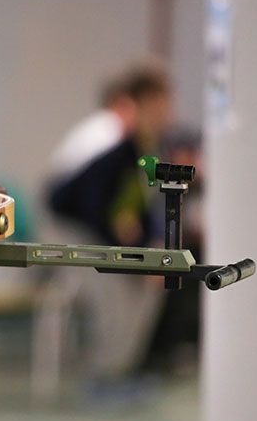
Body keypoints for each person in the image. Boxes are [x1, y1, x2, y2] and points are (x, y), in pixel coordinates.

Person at [45, 61, 173, 394]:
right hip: (71, 228)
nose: (166, 114)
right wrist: (129, 253)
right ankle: (103, 378)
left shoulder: (141, 144)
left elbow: (135, 204)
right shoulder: (109, 134)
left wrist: (148, 247)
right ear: (135, 104)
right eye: (158, 105)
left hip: (93, 227)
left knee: (149, 282)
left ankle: (120, 371)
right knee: (115, 290)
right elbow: (83, 203)